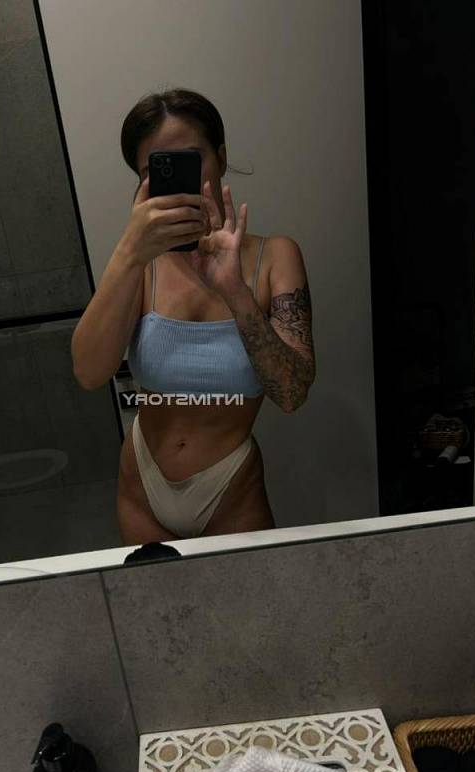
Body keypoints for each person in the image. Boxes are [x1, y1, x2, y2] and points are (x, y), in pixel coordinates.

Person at [71, 88, 316, 544]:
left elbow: (292, 394)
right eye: (155, 170)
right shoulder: (140, 264)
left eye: (190, 159)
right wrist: (130, 251)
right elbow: (88, 372)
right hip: (141, 482)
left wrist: (235, 291)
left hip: (230, 489)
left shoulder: (275, 257)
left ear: (220, 158)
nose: (177, 180)